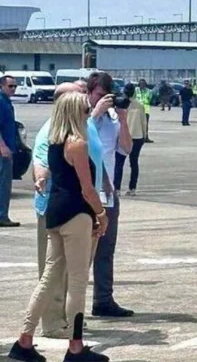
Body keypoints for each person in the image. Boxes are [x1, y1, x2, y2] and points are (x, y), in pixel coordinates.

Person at [8, 91, 110, 362]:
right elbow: (87, 189)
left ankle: (24, 339)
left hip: (55, 213)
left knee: (49, 277)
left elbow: (46, 171)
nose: (89, 113)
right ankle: (75, 346)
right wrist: (101, 214)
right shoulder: (77, 144)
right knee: (77, 282)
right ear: (77, 113)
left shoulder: (55, 143)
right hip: (76, 214)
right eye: (86, 110)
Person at [31, 82, 107, 339]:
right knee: (67, 277)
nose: (86, 99)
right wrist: (101, 214)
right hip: (70, 209)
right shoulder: (54, 132)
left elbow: (97, 160)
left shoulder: (84, 127)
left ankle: (33, 333)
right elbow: (40, 161)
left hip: (76, 208)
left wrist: (106, 186)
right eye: (81, 95)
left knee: (62, 272)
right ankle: (56, 325)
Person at [87, 72, 135, 319]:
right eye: (98, 95)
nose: (103, 101)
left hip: (108, 193)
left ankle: (103, 300)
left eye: (107, 96)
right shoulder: (82, 115)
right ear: (89, 94)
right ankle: (68, 305)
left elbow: (126, 148)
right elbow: (79, 139)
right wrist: (95, 113)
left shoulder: (114, 119)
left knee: (106, 249)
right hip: (84, 192)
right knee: (81, 252)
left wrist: (124, 119)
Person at [115, 83, 147, 197]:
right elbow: (144, 122)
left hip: (124, 136)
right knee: (134, 163)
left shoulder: (120, 104)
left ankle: (117, 188)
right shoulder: (139, 105)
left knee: (119, 163)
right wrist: (144, 135)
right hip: (137, 136)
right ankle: (132, 188)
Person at [0, 74, 20, 227]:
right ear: (2, 86)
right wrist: (2, 146)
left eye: (15, 86)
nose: (13, 89)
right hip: (3, 151)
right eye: (10, 86)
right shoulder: (1, 102)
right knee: (4, 184)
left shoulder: (6, 102)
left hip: (8, 148)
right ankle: (2, 216)